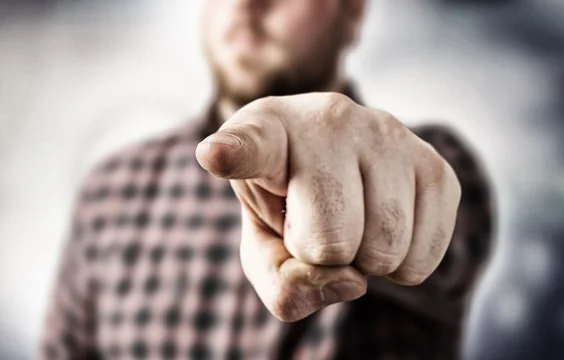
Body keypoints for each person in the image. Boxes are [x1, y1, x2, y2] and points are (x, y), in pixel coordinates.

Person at [39, 0, 494, 359]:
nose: (245, 4)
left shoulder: (435, 164)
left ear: (352, 12)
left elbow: (442, 242)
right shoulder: (113, 189)